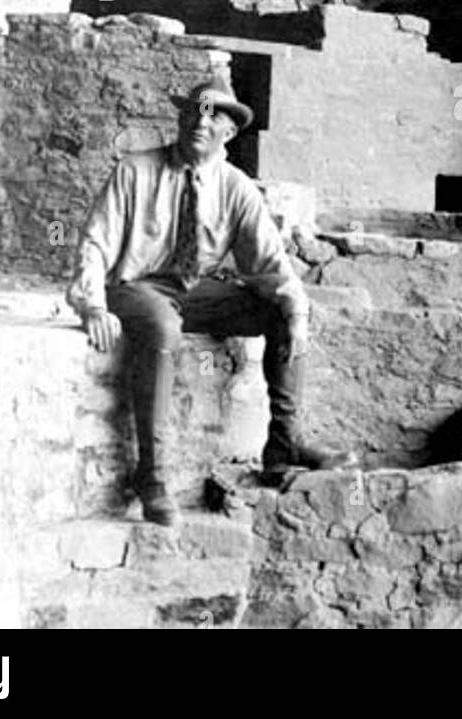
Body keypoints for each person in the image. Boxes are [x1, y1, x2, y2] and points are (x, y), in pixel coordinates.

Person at [66, 79, 352, 526]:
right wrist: (94, 304)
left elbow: (269, 261)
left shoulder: (236, 187)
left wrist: (296, 313)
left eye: (213, 114)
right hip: (137, 285)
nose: (201, 120)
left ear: (229, 132)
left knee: (282, 309)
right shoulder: (136, 170)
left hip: (195, 288)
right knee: (161, 327)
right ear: (180, 118)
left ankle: (283, 447)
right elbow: (97, 241)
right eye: (194, 111)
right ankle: (152, 476)